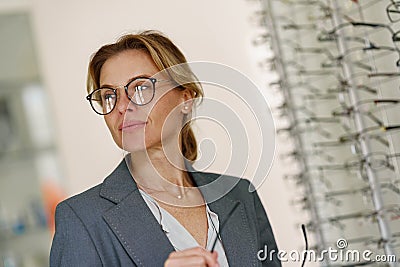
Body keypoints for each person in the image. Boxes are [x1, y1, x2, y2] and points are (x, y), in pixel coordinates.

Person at [50, 30, 280, 267]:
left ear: (185, 99)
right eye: (110, 95)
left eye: (140, 88)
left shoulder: (240, 194)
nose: (122, 107)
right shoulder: (82, 219)